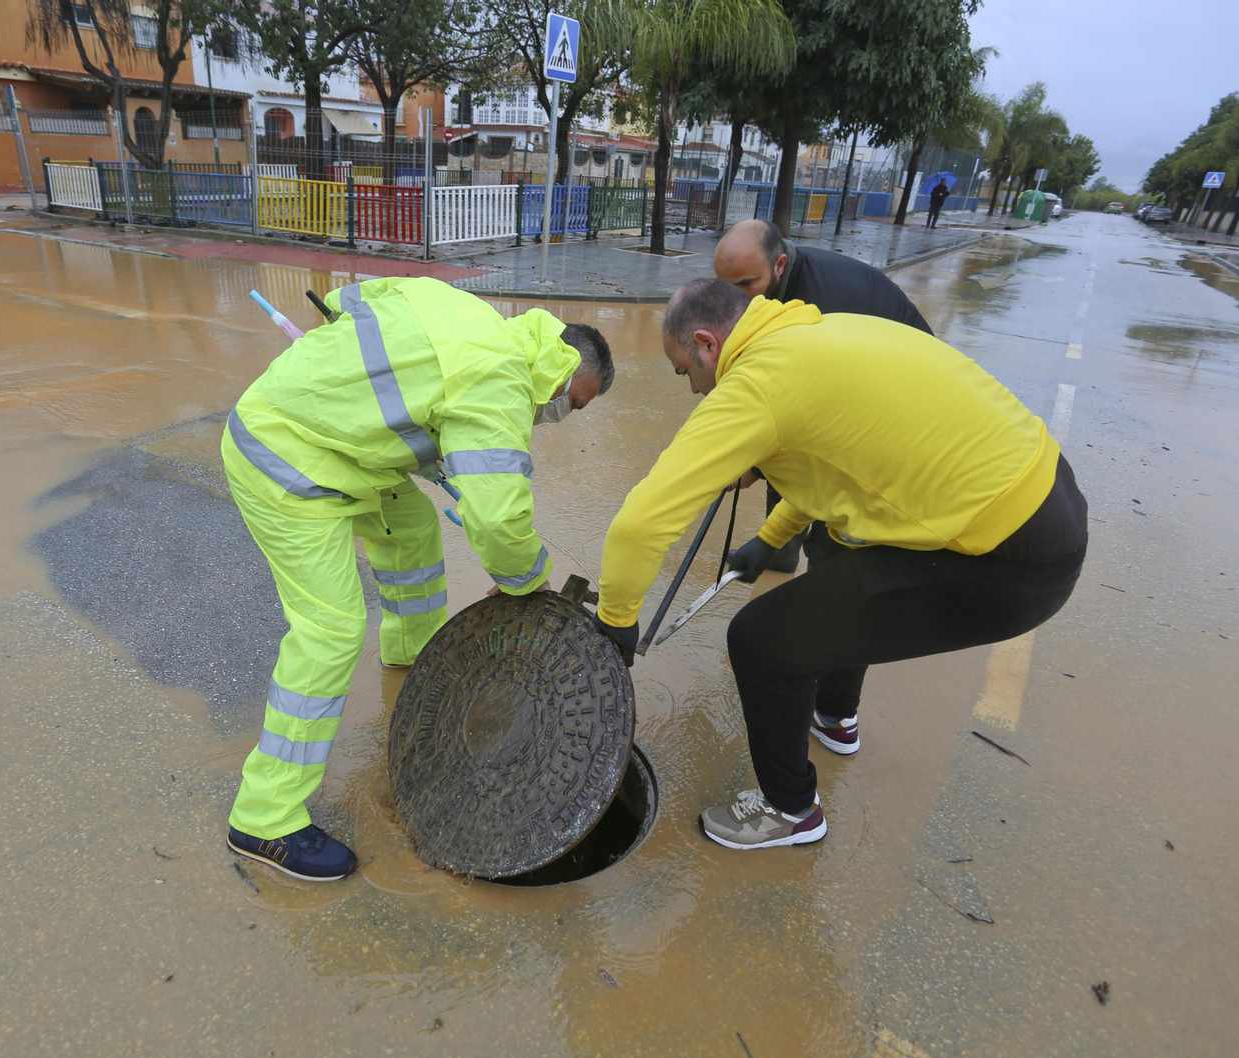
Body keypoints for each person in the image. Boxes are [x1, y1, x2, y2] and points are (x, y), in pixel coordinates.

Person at [593, 279, 1085, 852]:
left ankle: (791, 810)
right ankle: (834, 718)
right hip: (1048, 498)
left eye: (686, 373)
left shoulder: (756, 383)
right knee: (843, 562)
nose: (695, 390)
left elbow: (641, 523)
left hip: (1003, 555)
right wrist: (769, 537)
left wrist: (617, 616)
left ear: (706, 344)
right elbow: (841, 463)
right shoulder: (817, 331)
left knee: (761, 642)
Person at [221, 277, 613, 881]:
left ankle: (410, 658)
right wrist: (525, 581)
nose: (560, 415)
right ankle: (265, 818)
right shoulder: (502, 381)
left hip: (336, 444)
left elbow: (353, 299)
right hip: (286, 464)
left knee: (411, 529)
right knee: (331, 630)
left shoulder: (470, 315)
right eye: (572, 403)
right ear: (562, 370)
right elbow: (497, 515)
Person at [713, 218, 932, 573]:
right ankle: (781, 552)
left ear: (779, 264)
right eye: (727, 288)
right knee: (787, 457)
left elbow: (813, 415)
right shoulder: (775, 286)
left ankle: (825, 575)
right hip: (862, 377)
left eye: (746, 284)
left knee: (834, 511)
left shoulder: (820, 304)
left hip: (905, 395)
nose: (737, 299)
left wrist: (752, 464)